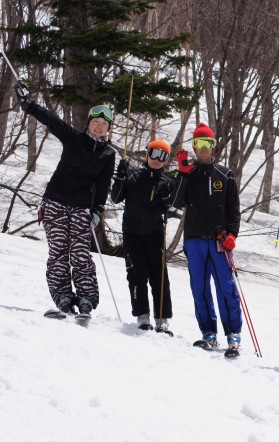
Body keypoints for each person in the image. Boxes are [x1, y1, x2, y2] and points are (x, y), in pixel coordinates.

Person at [13, 80, 115, 318]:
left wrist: (97, 211)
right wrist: (28, 105)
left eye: (103, 124)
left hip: (81, 209)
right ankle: (63, 297)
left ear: (108, 128)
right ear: (89, 123)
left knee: (80, 252)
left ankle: (86, 298)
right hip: (55, 203)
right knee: (58, 251)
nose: (99, 127)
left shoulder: (107, 154)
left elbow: (102, 186)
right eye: (95, 123)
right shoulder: (73, 138)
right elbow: (51, 120)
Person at [170, 122, 243, 356]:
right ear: (194, 146)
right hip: (194, 239)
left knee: (226, 288)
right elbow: (174, 203)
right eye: (199, 144)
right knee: (199, 288)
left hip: (219, 241)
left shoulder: (225, 174)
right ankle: (208, 333)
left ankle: (233, 335)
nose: (203, 148)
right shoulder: (187, 173)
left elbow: (234, 209)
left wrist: (232, 234)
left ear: (213, 147)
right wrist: (181, 174)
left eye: (207, 144)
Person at [111, 140, 174, 334]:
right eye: (154, 153)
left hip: (155, 234)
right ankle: (142, 315)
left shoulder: (167, 182)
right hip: (132, 233)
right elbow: (115, 198)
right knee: (136, 275)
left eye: (162, 156)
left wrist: (166, 199)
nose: (157, 159)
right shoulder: (133, 176)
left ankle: (162, 319)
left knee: (159, 276)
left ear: (166, 161)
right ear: (147, 155)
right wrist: (120, 178)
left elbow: (171, 210)